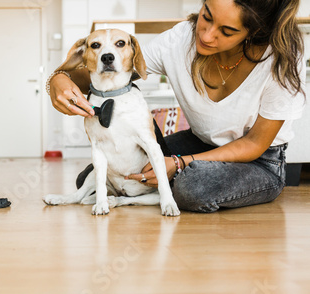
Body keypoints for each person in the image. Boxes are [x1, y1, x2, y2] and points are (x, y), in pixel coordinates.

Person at [46, 0, 306, 213]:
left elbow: (254, 144)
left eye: (226, 32)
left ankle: (151, 192)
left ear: (255, 33)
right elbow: (120, 66)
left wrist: (180, 163)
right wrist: (58, 79)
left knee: (191, 187)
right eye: (206, 16)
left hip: (259, 161)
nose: (206, 34)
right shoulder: (180, 38)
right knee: (90, 179)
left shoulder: (281, 60)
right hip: (199, 141)